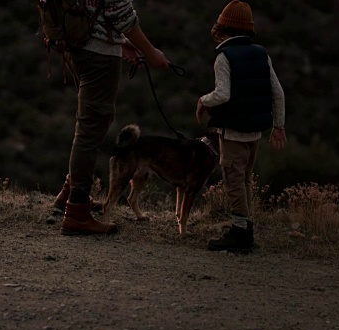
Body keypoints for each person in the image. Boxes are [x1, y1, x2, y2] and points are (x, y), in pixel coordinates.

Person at [54, 0, 170, 235]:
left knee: (90, 124)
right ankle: (76, 211)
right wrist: (150, 52)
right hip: (97, 53)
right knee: (91, 129)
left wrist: (121, 41)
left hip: (75, 45)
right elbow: (121, 13)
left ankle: (72, 195)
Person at [195, 0, 286, 252]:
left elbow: (223, 94)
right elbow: (277, 92)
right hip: (255, 131)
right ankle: (247, 229)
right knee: (245, 178)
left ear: (222, 27)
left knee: (232, 179)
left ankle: (239, 233)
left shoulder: (224, 57)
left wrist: (203, 100)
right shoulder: (261, 53)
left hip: (233, 130)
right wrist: (279, 125)